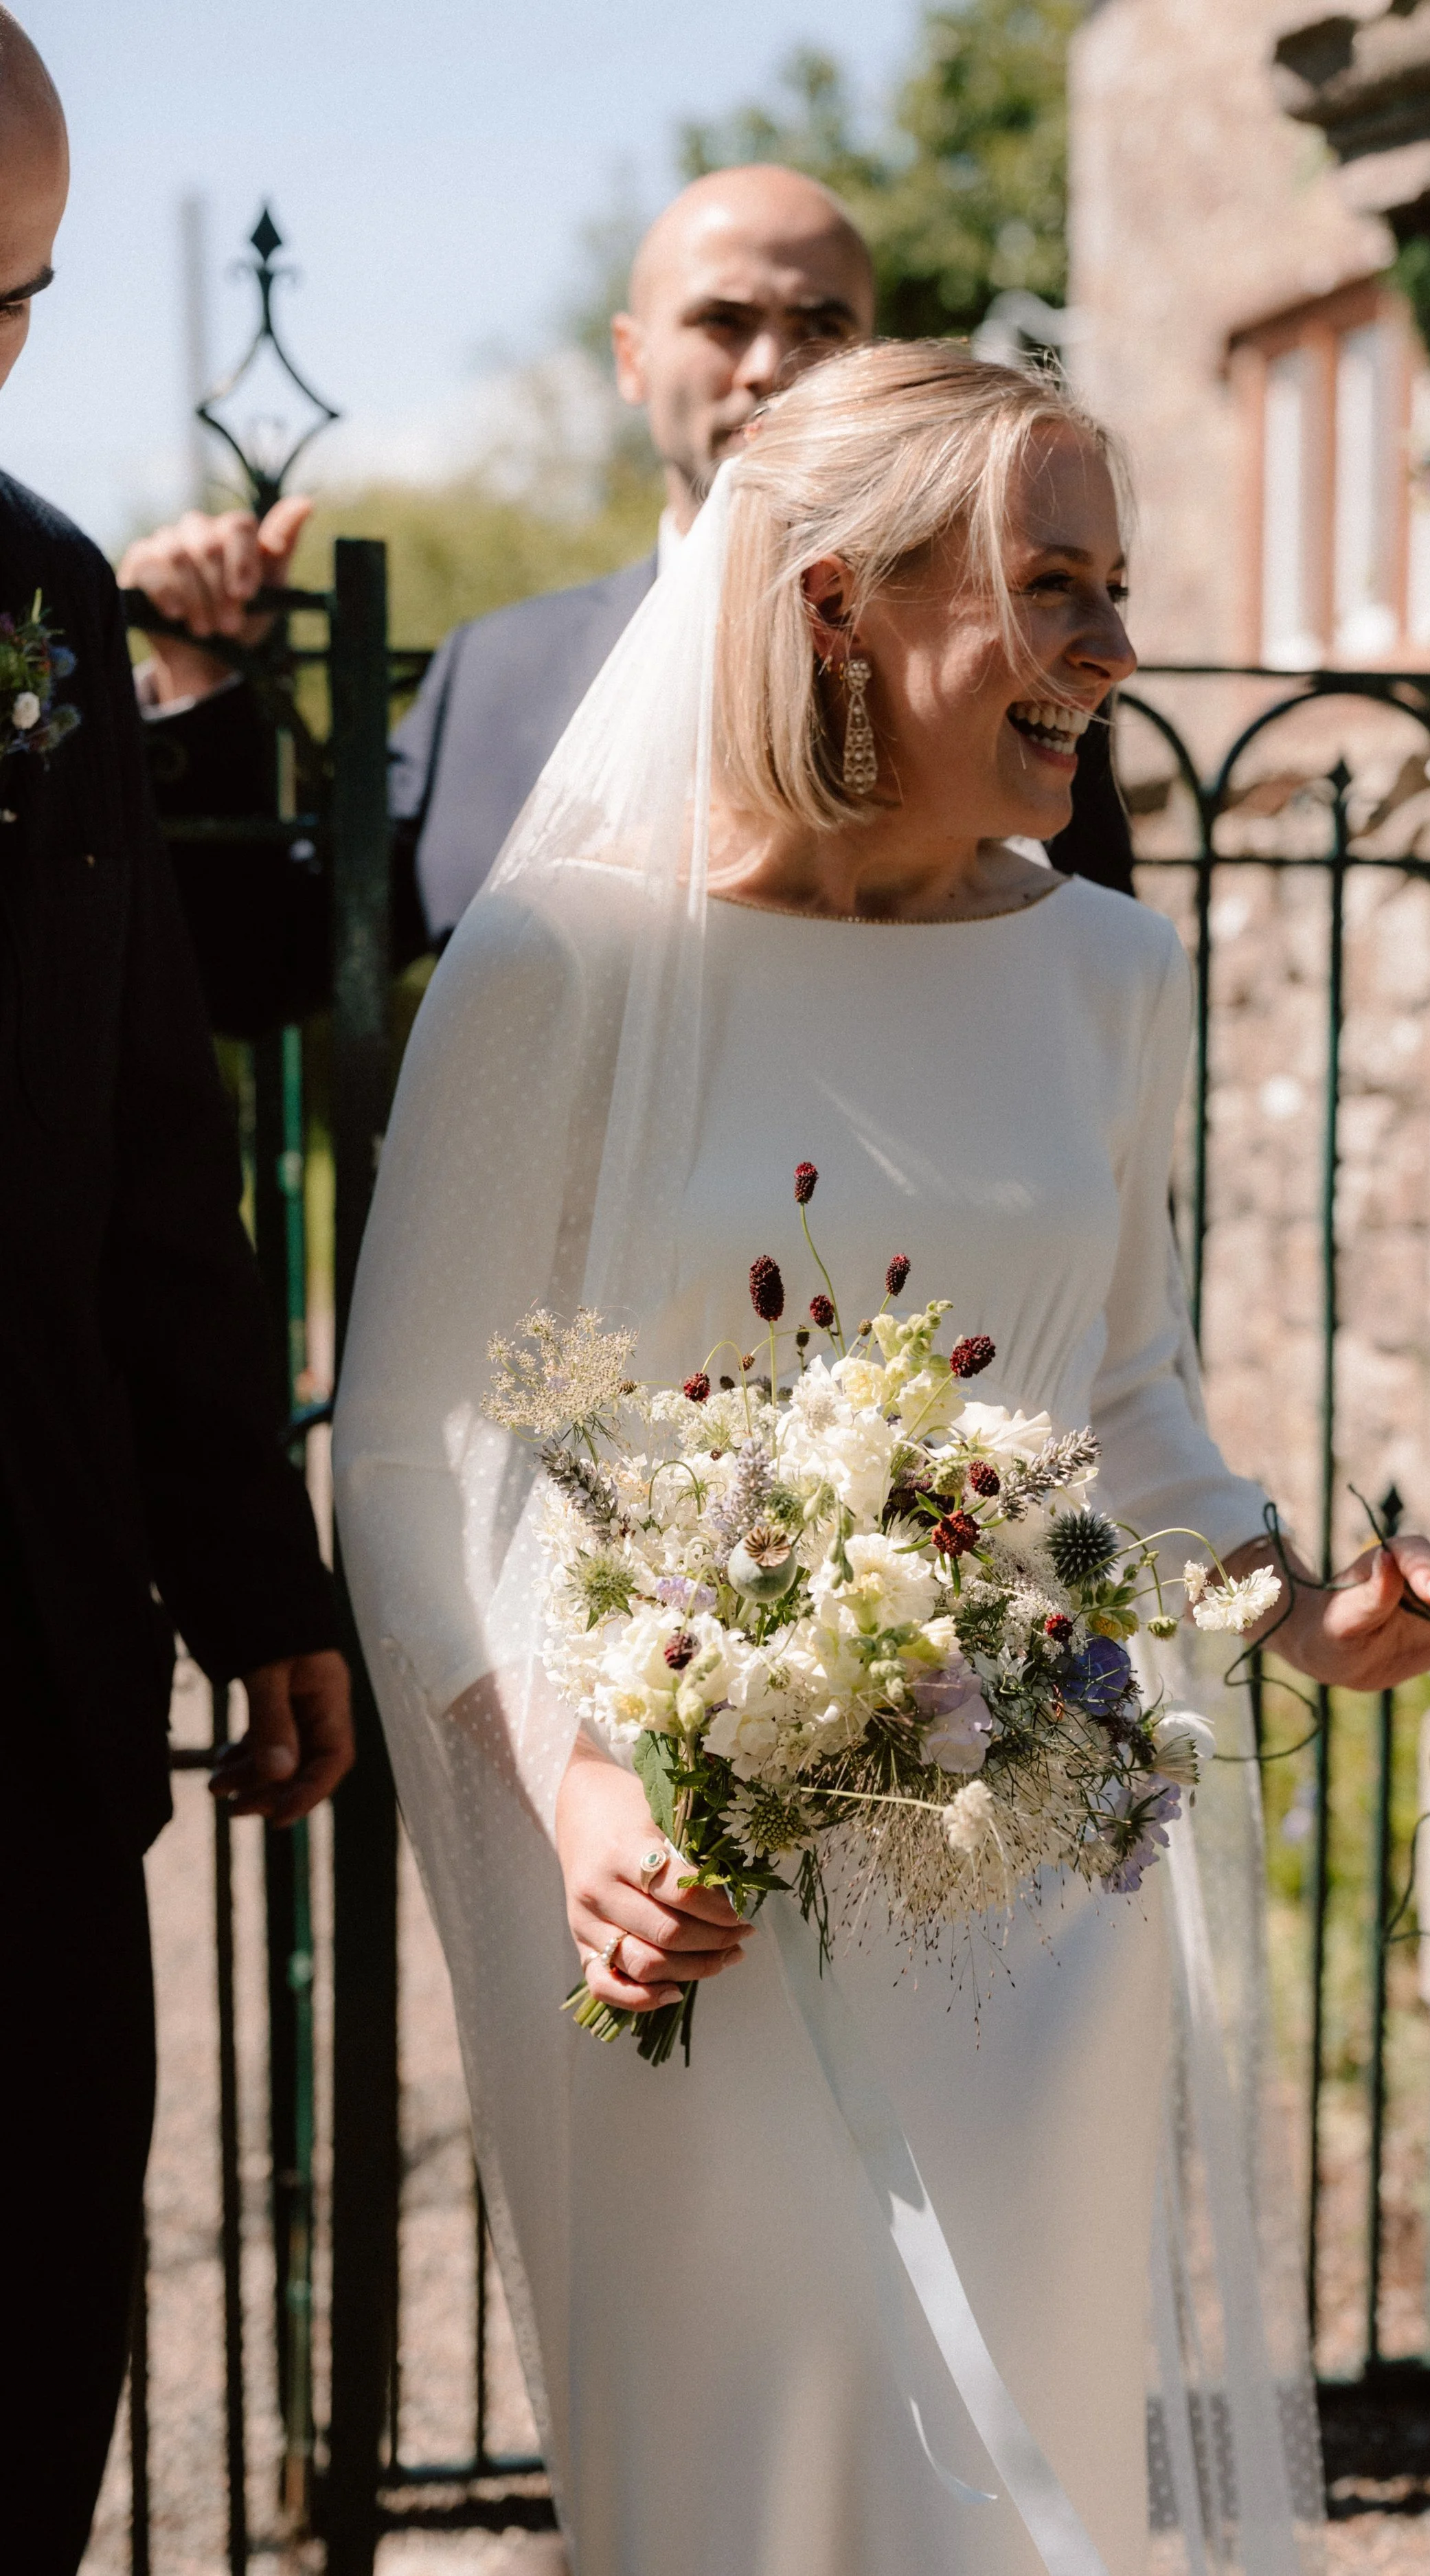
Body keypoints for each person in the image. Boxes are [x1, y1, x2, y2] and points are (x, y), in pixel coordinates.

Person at [332, 341, 1430, 2574]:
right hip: (699, 1880)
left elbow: (1126, 1396)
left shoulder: (1113, 977)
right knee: (747, 2477)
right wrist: (579, 1781)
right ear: (835, 610)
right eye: (1051, 585)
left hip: (1031, 1908)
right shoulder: (566, 961)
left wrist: (1300, 1608)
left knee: (1013, 2488)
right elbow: (410, 1447)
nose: (1114, 649)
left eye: (1120, 586)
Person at [0, 16, 354, 2568]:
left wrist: (255, 1582)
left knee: (19, 2371)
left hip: (3, 1688)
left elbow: (150, 1153)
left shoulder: (26, 609)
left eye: (7, 297)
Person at [120, 166, 1134, 1028]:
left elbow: (1090, 1049)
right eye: (722, 321)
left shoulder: (1007, 684)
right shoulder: (496, 675)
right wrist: (207, 686)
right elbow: (267, 973)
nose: (771, 367)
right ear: (632, 358)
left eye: (822, 325)